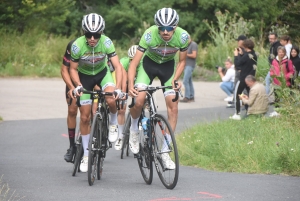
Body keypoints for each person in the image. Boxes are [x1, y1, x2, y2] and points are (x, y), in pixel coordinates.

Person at [127, 8, 189, 169]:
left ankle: (164, 152)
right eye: (162, 28)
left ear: (175, 27)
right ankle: (133, 130)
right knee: (138, 101)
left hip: (168, 69)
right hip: (148, 66)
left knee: (173, 107)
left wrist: (176, 79)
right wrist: (129, 85)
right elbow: (134, 63)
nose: (166, 32)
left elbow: (182, 62)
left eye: (170, 28)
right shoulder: (149, 34)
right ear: (157, 27)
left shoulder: (183, 37)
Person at [69, 13, 124, 172]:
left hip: (102, 73)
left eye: (96, 35)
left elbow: (118, 66)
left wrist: (118, 87)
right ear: (83, 33)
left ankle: (113, 123)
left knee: (111, 98)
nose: (92, 38)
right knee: (85, 117)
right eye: (88, 34)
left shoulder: (107, 42)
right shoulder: (77, 46)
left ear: (101, 33)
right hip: (84, 77)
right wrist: (78, 85)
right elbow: (72, 69)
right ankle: (86, 155)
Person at [113, 45, 140, 151]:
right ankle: (120, 137)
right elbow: (123, 81)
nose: (134, 61)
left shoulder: (143, 63)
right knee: (121, 109)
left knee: (143, 102)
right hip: (127, 83)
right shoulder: (124, 62)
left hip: (138, 83)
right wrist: (123, 95)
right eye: (131, 60)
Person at [61, 39, 78, 162]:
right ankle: (72, 146)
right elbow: (64, 69)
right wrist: (71, 87)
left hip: (93, 78)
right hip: (74, 78)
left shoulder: (103, 44)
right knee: (72, 111)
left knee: (90, 113)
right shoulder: (74, 45)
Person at [230, 39, 257, 120]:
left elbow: (238, 65)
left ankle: (237, 113)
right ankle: (250, 111)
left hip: (243, 78)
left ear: (245, 46)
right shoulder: (253, 54)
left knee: (237, 94)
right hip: (251, 78)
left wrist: (236, 55)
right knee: (250, 95)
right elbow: (245, 62)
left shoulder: (246, 55)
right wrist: (241, 55)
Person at [269, 46, 294, 117]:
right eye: (280, 52)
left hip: (285, 83)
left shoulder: (288, 61)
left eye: (282, 52)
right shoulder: (274, 61)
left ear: (285, 53)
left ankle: (287, 111)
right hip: (276, 83)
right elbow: (272, 70)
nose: (281, 53)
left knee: (286, 97)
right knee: (276, 98)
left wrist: (284, 78)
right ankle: (276, 111)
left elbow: (291, 71)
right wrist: (273, 76)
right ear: (277, 52)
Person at [180, 37, 198, 103]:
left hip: (190, 65)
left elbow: (194, 55)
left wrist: (185, 54)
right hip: (186, 65)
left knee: (185, 81)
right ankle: (191, 96)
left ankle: (187, 97)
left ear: (190, 38)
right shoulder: (186, 45)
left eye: (187, 39)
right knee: (189, 81)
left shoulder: (193, 44)